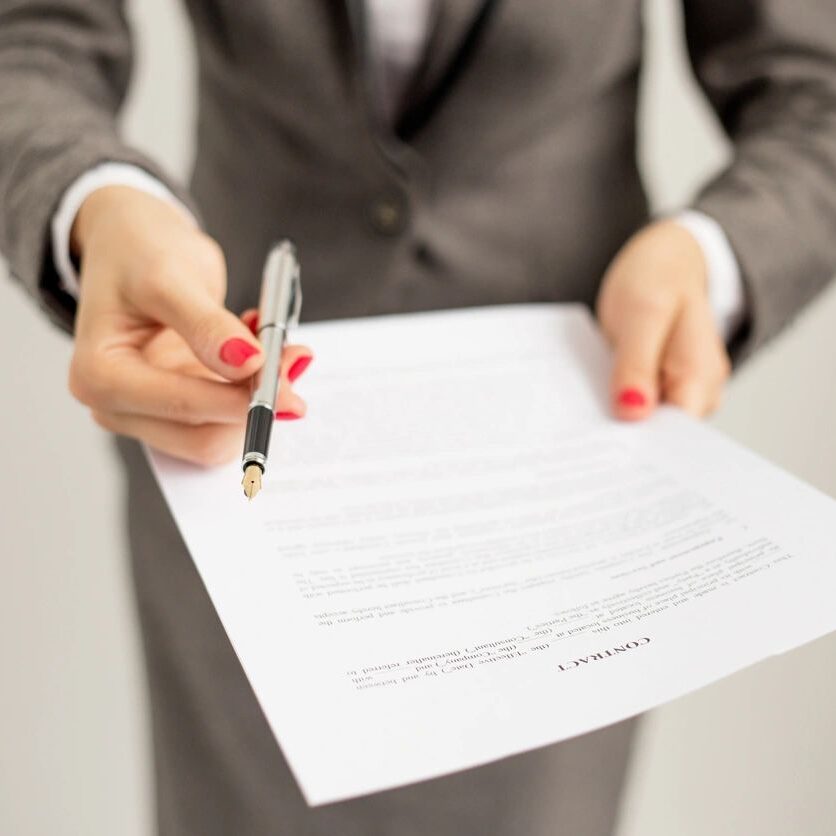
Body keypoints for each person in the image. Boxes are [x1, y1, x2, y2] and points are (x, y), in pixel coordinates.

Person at [2, 2, 836, 834]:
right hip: (230, 474)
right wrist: (99, 202)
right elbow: (30, 36)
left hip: (567, 498)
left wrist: (711, 255)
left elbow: (816, 94)